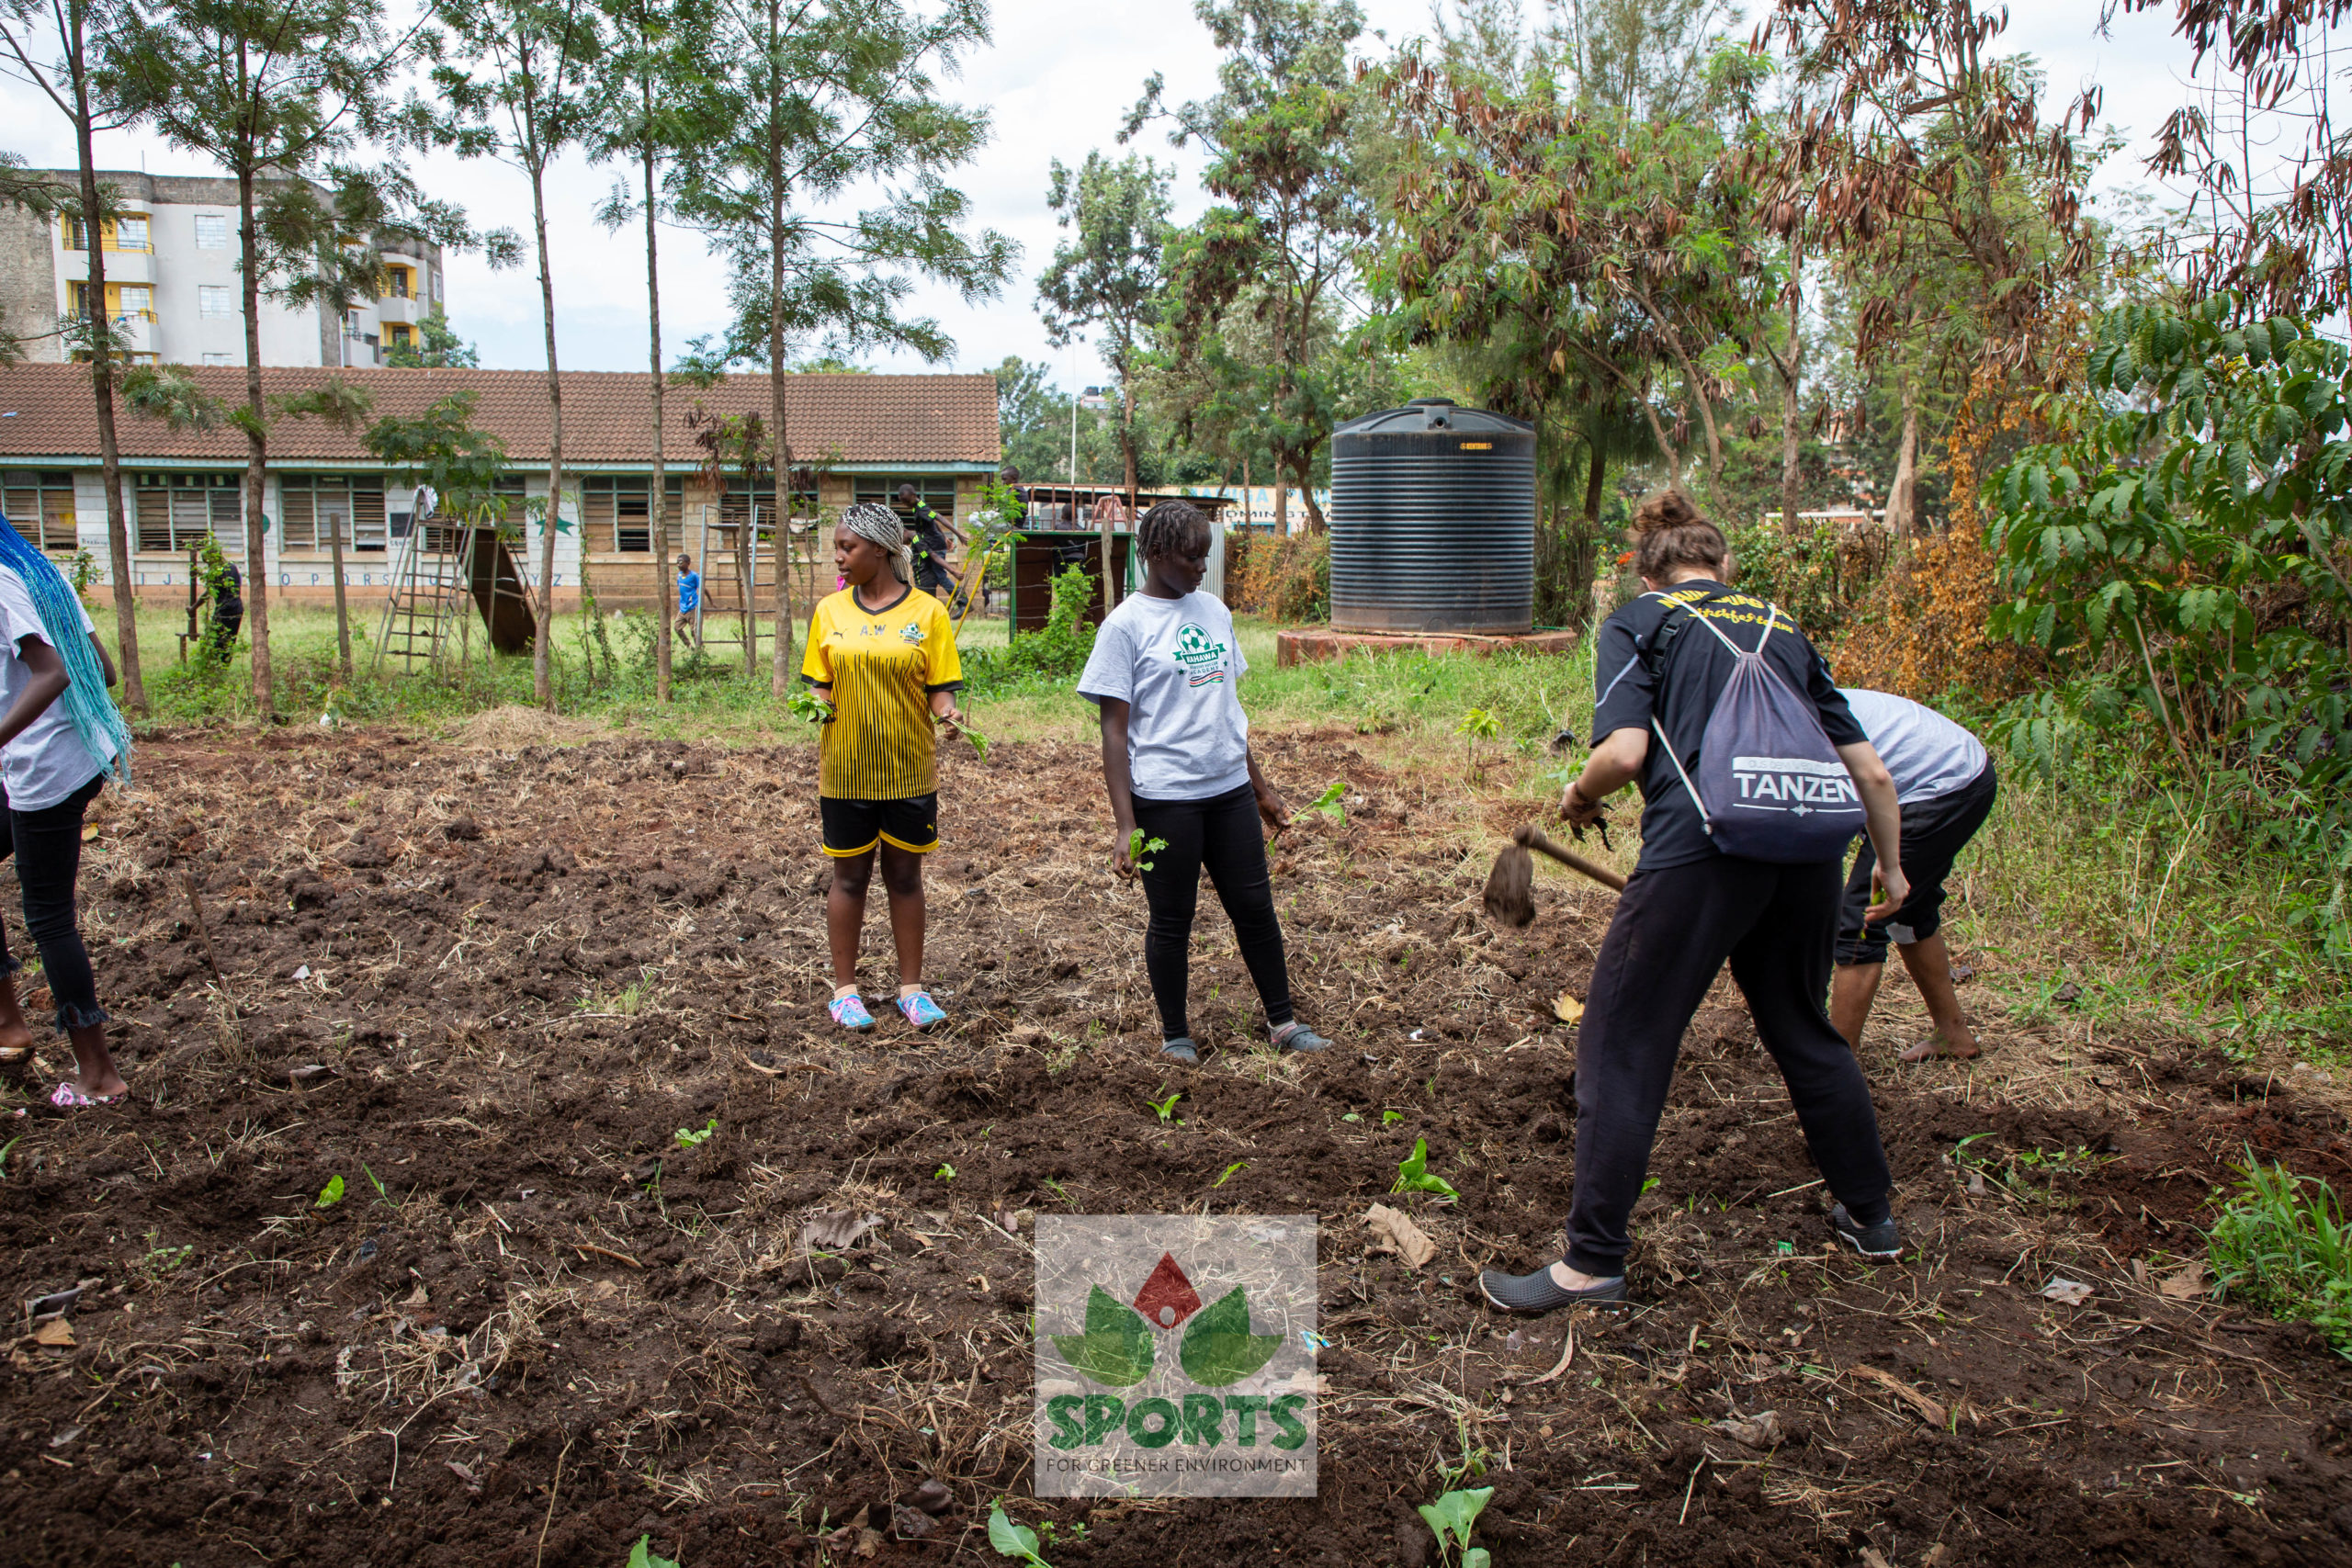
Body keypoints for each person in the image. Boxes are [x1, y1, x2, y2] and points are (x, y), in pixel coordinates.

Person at [1478, 491, 1911, 1312]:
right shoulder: (1785, 629)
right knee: (1804, 1028)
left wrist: (1577, 793)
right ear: (1723, 566)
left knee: (1622, 1040)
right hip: (1813, 855)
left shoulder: (1643, 620)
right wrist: (1890, 869)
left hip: (1706, 848)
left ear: (1651, 570)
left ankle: (1591, 1262)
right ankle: (1872, 1215)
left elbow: (1625, 750)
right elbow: (1874, 773)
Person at [1078, 500, 1330, 1065]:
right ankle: (1176, 1035)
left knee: (1255, 909)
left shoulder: (1214, 611)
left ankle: (1284, 1022)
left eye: (1204, 557)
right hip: (1166, 798)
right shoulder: (1125, 627)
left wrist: (1260, 787)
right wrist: (1125, 825)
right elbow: (1114, 735)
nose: (1199, 567)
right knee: (1172, 920)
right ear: (1157, 553)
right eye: (1191, 557)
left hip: (1228, 792)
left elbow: (1226, 710)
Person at [801, 502, 970, 1033]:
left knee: (905, 876)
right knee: (849, 878)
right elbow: (818, 681)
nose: (840, 557)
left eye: (847, 548)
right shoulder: (830, 612)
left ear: (880, 549)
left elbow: (939, 688)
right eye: (838, 548)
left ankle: (912, 992)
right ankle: (846, 993)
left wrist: (949, 714)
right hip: (846, 771)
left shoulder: (928, 614)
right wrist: (817, 702)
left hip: (909, 772)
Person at [0, 509, 135, 1109]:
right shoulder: (33, 569)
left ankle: (98, 1077)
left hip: (46, 770)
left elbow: (51, 673)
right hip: (85, 750)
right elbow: (99, 669)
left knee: (49, 915)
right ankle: (9, 1028)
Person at [1829, 690, 1997, 1062]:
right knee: (1906, 910)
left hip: (1939, 784)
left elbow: (1870, 781)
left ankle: (1835, 1068)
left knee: (1862, 917)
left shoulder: (1790, 717)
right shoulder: (1782, 702)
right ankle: (1954, 1035)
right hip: (1959, 771)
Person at [673, 553, 701, 649]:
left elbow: (702, 588)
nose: (679, 565)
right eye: (677, 563)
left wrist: (711, 602)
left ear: (688, 563)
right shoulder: (679, 575)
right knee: (677, 627)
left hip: (692, 606)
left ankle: (699, 651)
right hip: (683, 607)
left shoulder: (694, 576)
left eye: (681, 563)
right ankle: (689, 647)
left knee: (694, 631)